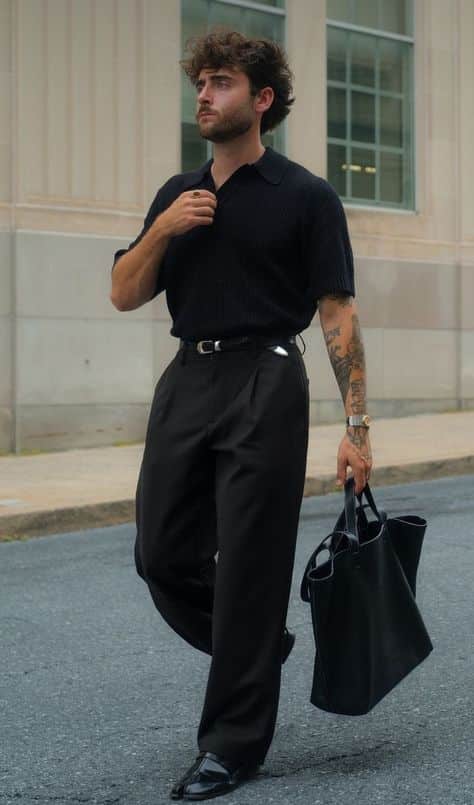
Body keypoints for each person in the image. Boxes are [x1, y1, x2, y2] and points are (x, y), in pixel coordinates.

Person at [110, 28, 373, 802]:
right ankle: (259, 646)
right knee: (159, 551)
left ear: (261, 100)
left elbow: (338, 314)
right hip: (189, 376)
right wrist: (165, 228)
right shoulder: (176, 194)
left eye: (220, 83)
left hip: (268, 374)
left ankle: (231, 745)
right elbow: (124, 292)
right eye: (200, 82)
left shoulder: (306, 197)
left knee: (253, 564)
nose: (203, 94)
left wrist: (357, 432)